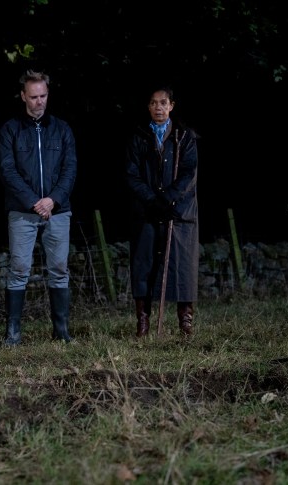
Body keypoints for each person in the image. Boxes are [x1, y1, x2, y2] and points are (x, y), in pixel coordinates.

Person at [0, 69, 78, 346]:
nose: (39, 101)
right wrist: (34, 201)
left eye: (43, 96)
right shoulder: (10, 130)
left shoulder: (62, 129)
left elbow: (70, 169)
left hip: (58, 209)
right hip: (23, 211)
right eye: (33, 97)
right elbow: (8, 171)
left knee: (58, 268)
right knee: (19, 268)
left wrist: (52, 200)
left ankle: (62, 331)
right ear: (23, 96)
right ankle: (13, 333)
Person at [124, 85, 199, 338]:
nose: (159, 107)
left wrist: (168, 199)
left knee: (182, 266)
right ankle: (143, 323)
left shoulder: (184, 137)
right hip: (147, 210)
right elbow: (132, 175)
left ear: (172, 106)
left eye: (163, 103)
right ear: (148, 106)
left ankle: (185, 323)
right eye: (154, 103)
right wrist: (152, 200)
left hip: (177, 212)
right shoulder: (139, 136)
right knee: (144, 264)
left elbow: (189, 172)